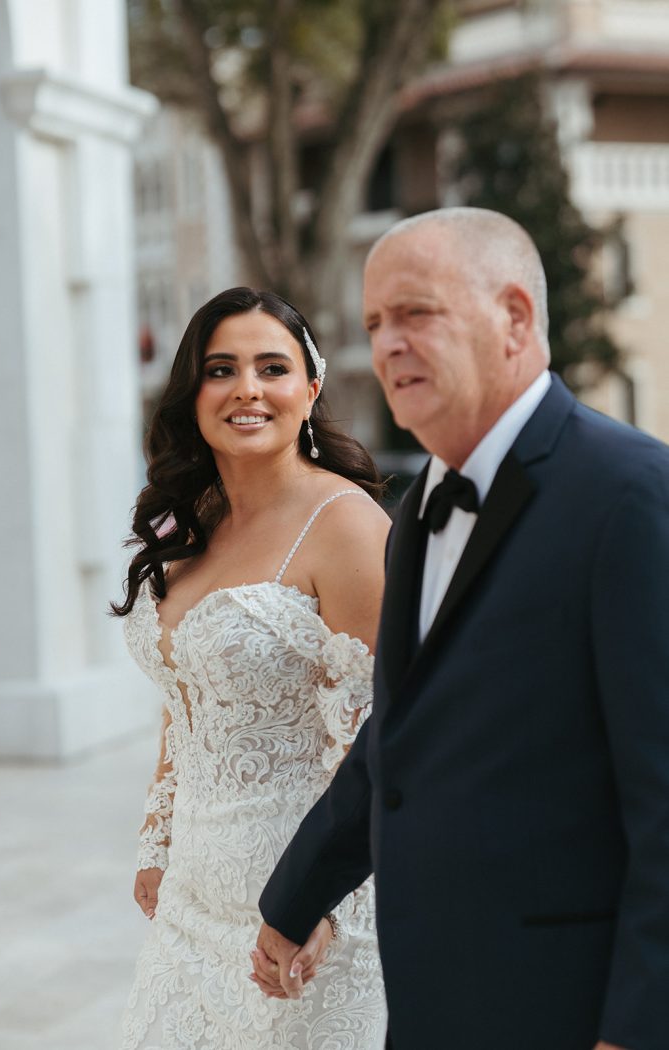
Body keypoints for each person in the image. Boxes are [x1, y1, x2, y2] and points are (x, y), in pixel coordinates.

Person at [254, 208, 669, 1050]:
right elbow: (396, 745)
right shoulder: (414, 514)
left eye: (416, 313)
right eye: (374, 324)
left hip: (568, 1010)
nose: (388, 344)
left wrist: (637, 1027)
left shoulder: (630, 495)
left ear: (514, 317)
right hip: (434, 1006)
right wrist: (293, 901)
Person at [113, 287, 390, 1050]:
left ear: (311, 386)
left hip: (303, 912)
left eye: (273, 367)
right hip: (188, 910)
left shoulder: (348, 526)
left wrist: (323, 906)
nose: (247, 390)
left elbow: (377, 736)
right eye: (221, 369)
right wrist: (157, 836)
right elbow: (186, 691)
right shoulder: (189, 519)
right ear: (193, 393)